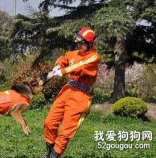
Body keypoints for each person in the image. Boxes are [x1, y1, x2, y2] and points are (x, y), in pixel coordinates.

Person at [43, 27, 100, 158]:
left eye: (81, 42)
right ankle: (49, 151)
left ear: (89, 43)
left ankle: (53, 156)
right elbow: (64, 57)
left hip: (80, 95)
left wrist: (62, 72)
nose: (78, 45)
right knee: (49, 123)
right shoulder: (74, 53)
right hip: (66, 90)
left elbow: (79, 66)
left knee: (65, 131)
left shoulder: (94, 57)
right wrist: (58, 65)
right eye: (78, 42)